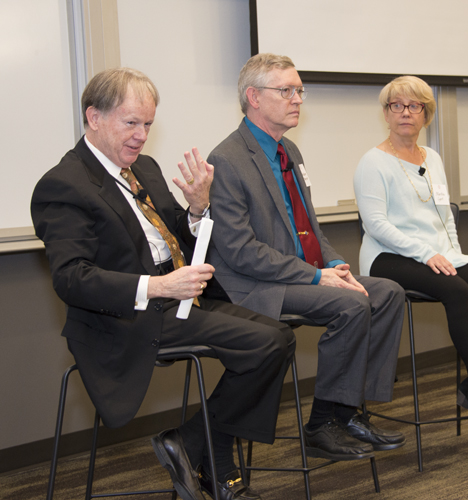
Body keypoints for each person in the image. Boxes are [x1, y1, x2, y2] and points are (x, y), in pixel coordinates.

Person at [31, 68, 296, 500]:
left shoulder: (145, 169)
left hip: (179, 300)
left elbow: (180, 236)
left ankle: (193, 444)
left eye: (148, 124)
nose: (141, 136)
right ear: (94, 117)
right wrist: (157, 288)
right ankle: (210, 458)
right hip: (127, 317)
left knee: (279, 336)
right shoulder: (65, 184)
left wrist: (196, 209)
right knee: (263, 344)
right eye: (130, 123)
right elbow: (71, 279)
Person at [206, 53, 406, 462]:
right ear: (254, 97)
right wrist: (316, 278)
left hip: (304, 274)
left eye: (299, 90)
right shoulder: (226, 159)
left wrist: (333, 264)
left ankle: (348, 413)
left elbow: (311, 227)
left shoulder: (289, 151)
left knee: (386, 292)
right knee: (350, 304)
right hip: (259, 286)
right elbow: (240, 251)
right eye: (286, 90)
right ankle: (320, 426)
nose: (298, 98)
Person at [354, 76, 468, 422]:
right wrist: (426, 254)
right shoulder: (372, 163)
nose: (405, 112)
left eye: (414, 105)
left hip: (437, 252)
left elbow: (444, 212)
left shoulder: (431, 157)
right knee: (456, 289)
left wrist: (455, 252)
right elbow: (377, 226)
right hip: (388, 257)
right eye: (396, 106)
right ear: (386, 114)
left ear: (426, 115)